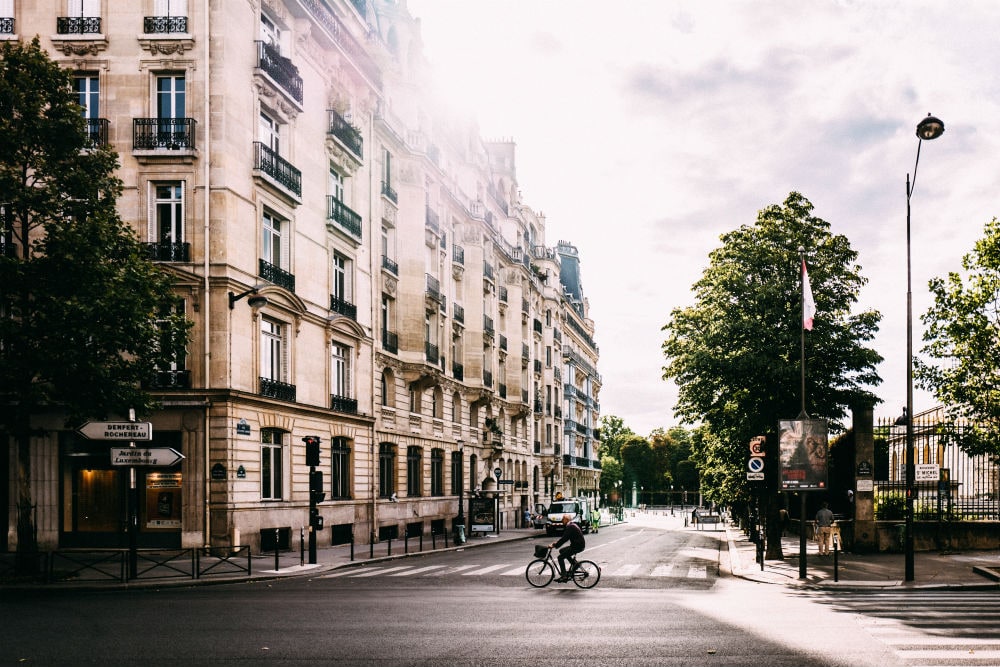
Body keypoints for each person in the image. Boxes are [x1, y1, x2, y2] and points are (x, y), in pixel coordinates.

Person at [549, 514, 586, 581]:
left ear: (566, 519)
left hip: (577, 546)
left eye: (563, 519)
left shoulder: (570, 527)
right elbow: (564, 538)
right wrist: (556, 544)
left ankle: (564, 576)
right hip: (577, 545)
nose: (562, 520)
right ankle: (575, 564)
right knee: (562, 551)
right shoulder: (571, 525)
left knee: (560, 557)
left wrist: (555, 545)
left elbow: (564, 539)